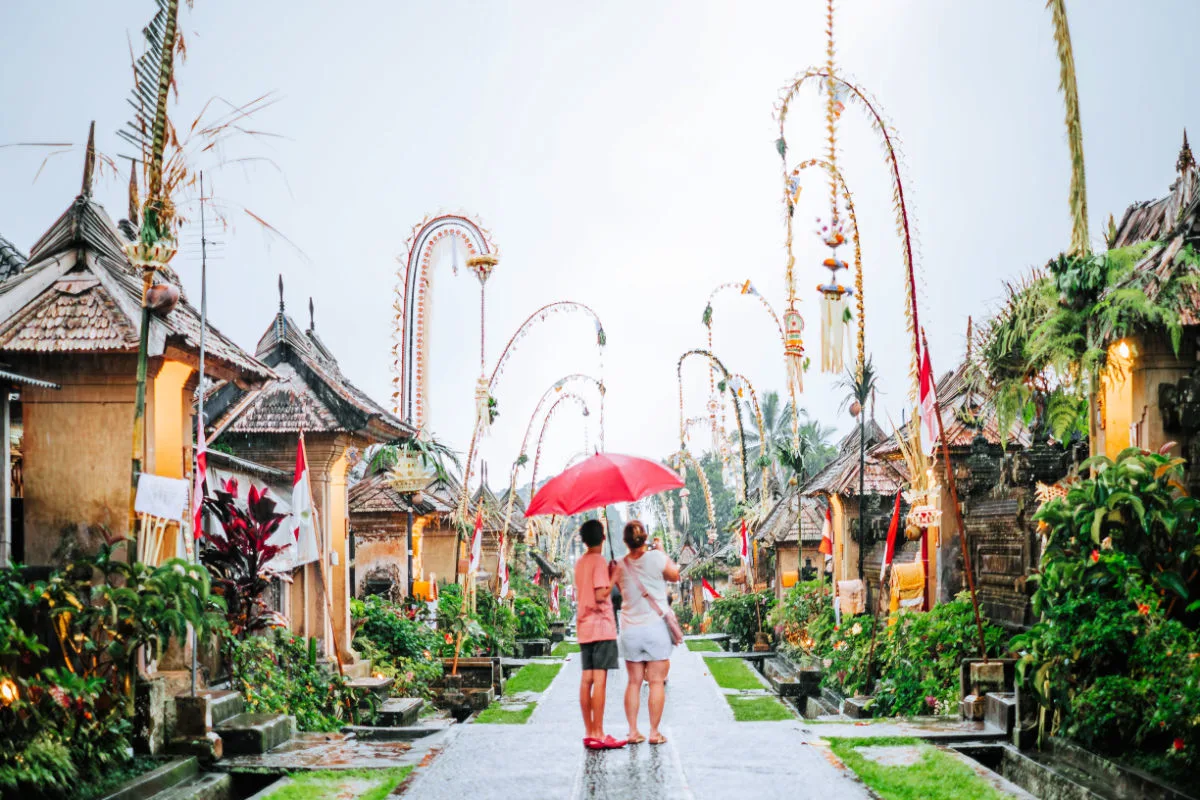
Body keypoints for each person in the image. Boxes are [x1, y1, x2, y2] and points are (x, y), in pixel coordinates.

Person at [615, 520, 680, 745]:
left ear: (625, 541)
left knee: (633, 682)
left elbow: (608, 591)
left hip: (630, 630)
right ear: (645, 538)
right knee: (655, 682)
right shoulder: (655, 558)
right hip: (655, 629)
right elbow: (674, 575)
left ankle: (633, 732)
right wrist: (662, 552)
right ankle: (654, 732)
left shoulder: (618, 564)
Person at [574, 519, 625, 751]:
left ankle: (589, 732)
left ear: (584, 540)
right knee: (600, 680)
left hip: (584, 626)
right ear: (603, 538)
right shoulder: (599, 561)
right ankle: (599, 732)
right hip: (601, 626)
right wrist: (614, 575)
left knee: (586, 679)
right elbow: (601, 595)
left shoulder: (580, 563)